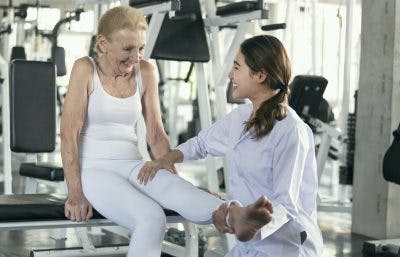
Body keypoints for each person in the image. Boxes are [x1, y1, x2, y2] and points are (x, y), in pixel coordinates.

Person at [61, 6, 274, 257]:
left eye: (140, 49)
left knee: (178, 191)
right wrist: (75, 194)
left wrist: (178, 184)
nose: (135, 57)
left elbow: (156, 136)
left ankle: (231, 214)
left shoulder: (146, 72)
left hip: (133, 165)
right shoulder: (85, 69)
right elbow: (68, 135)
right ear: (103, 44)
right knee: (151, 218)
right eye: (128, 49)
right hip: (93, 172)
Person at [138, 35, 324, 256]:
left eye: (237, 67)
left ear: (260, 75)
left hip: (284, 248)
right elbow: (200, 144)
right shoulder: (241, 117)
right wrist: (166, 159)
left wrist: (242, 220)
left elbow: (287, 206)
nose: (230, 75)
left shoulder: (291, 130)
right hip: (249, 245)